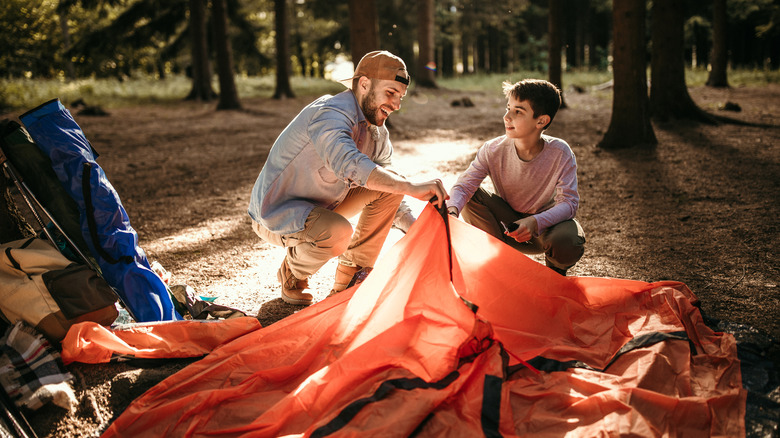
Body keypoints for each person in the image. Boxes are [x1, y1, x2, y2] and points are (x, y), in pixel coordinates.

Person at [248, 50, 448, 305]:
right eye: (390, 93)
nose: (397, 105)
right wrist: (411, 187)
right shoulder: (329, 115)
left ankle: (349, 282)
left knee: (390, 182)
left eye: (401, 97)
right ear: (364, 84)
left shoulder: (377, 131)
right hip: (276, 213)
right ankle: (292, 272)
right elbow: (348, 163)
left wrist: (417, 229)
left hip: (323, 207)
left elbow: (389, 186)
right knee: (338, 232)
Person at [446, 79, 585, 276]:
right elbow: (464, 186)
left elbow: (569, 203)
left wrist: (536, 222)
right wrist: (451, 211)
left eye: (518, 111)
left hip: (546, 229)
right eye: (508, 108)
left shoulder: (560, 152)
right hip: (507, 226)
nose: (506, 116)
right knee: (471, 196)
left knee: (568, 241)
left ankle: (555, 275)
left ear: (541, 121)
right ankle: (495, 261)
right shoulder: (492, 149)